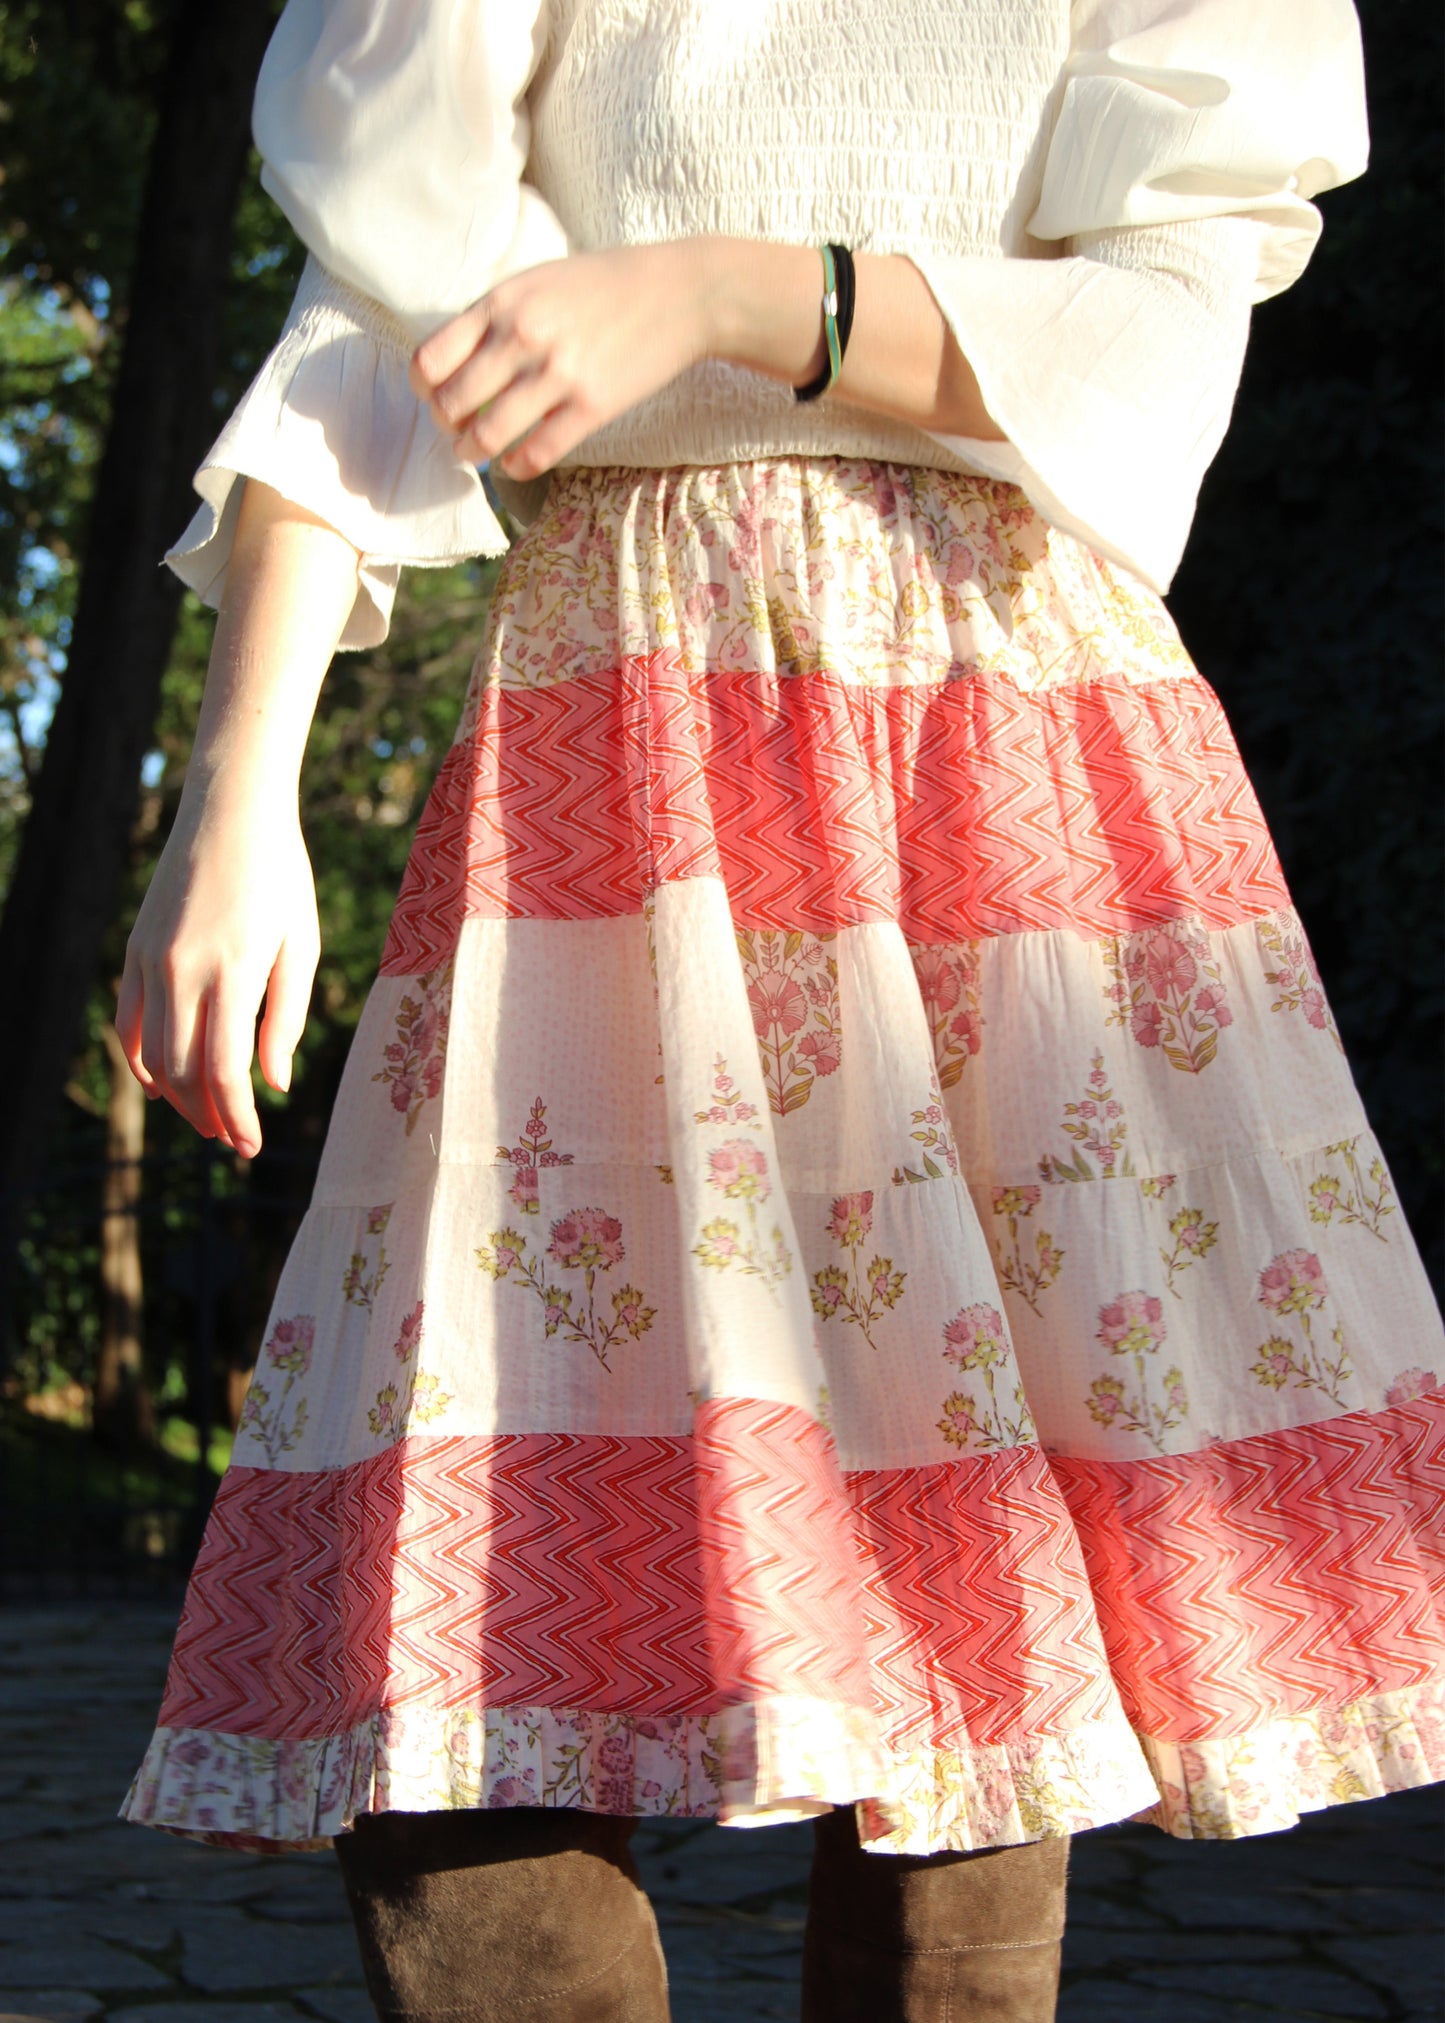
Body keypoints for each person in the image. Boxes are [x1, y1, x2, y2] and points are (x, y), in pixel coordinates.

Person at [116, 2, 1444, 2018]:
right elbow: (373, 312)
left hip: (990, 728)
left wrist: (734, 294)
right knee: (468, 1613)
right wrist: (240, 797)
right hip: (619, 738)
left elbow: (1158, 343)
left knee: (973, 1580)